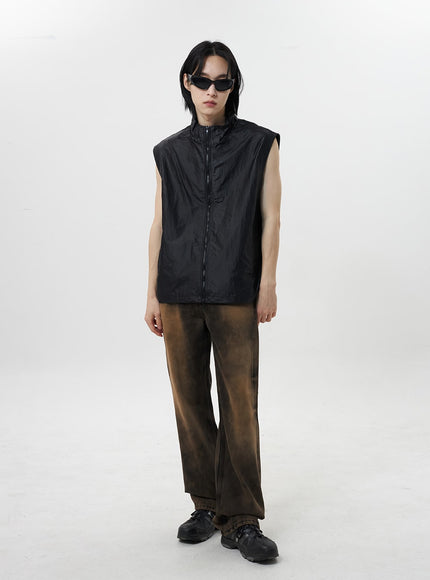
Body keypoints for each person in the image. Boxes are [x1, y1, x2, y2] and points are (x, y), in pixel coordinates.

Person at [145, 40, 282, 563]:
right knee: (190, 402)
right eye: (202, 80)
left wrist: (267, 282)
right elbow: (159, 223)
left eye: (222, 82)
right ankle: (205, 504)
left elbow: (271, 217)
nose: (211, 91)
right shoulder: (168, 152)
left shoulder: (259, 144)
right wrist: (152, 291)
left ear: (233, 86)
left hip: (235, 287)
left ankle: (242, 518)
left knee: (240, 403)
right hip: (177, 291)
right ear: (188, 82)